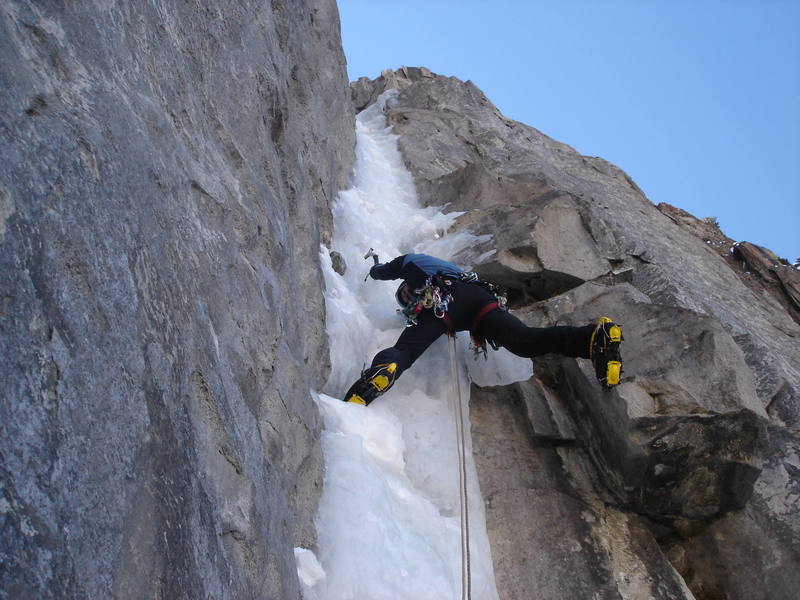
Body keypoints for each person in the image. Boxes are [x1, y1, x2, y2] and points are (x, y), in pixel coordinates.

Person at [342, 253, 622, 405]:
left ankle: (381, 373)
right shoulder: (446, 271)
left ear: (409, 290)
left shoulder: (416, 267)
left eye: (406, 296)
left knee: (405, 350)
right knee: (524, 342)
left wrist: (375, 269)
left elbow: (391, 268)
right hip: (481, 301)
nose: (408, 300)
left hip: (447, 301)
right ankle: (593, 339)